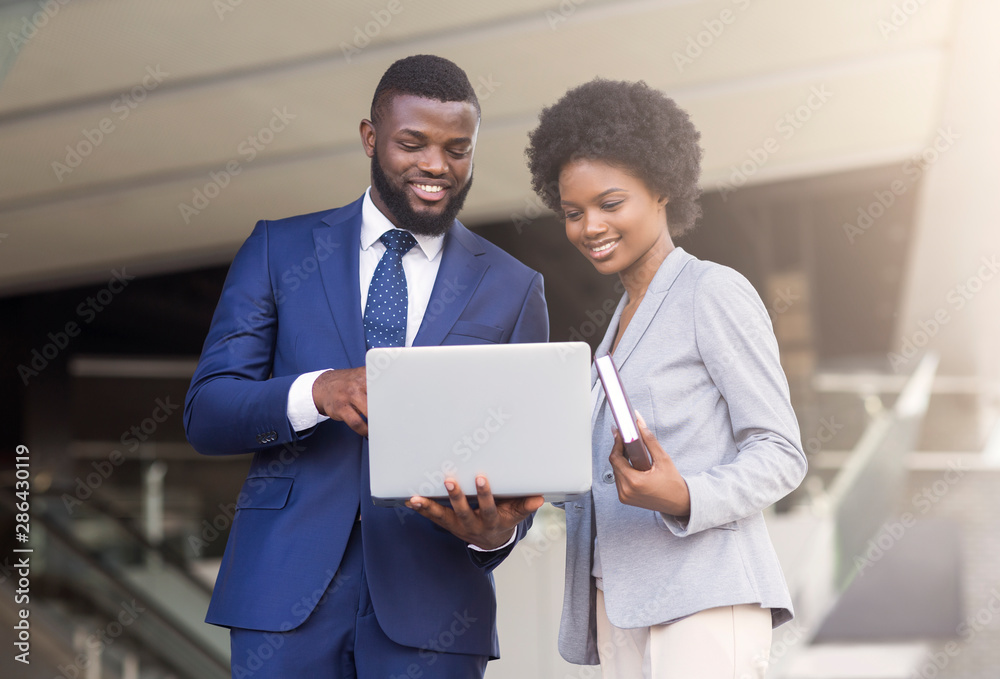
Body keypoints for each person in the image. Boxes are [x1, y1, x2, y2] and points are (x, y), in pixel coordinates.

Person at [184, 55, 548, 679]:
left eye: (458, 149)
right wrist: (318, 391)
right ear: (370, 137)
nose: (437, 166)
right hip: (283, 601)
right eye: (414, 143)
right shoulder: (278, 250)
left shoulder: (514, 287)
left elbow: (525, 464)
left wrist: (493, 535)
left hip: (434, 610)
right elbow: (208, 412)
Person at [525, 79, 808, 678]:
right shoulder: (616, 328)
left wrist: (684, 496)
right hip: (617, 604)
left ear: (662, 191)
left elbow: (781, 452)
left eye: (609, 204)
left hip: (703, 596)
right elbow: (601, 476)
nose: (589, 227)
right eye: (573, 213)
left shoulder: (712, 291)